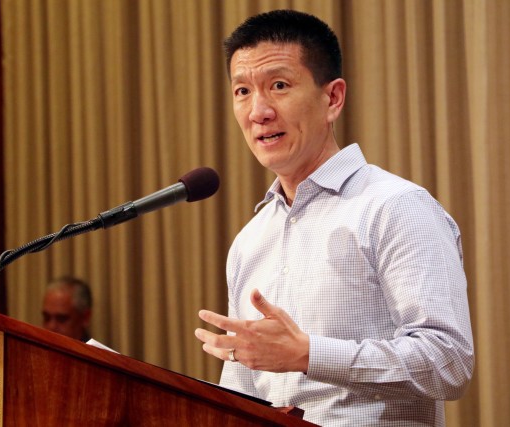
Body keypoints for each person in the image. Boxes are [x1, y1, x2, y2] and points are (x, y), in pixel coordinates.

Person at [195, 9, 474, 426]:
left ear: (333, 98)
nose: (258, 112)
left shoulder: (396, 207)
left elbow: (448, 362)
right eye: (242, 91)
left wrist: (309, 354)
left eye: (279, 85)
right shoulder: (249, 241)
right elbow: (244, 391)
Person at [42, 276, 92, 341]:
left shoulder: (97, 351)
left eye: (61, 319)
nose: (51, 327)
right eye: (47, 318)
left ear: (85, 318)